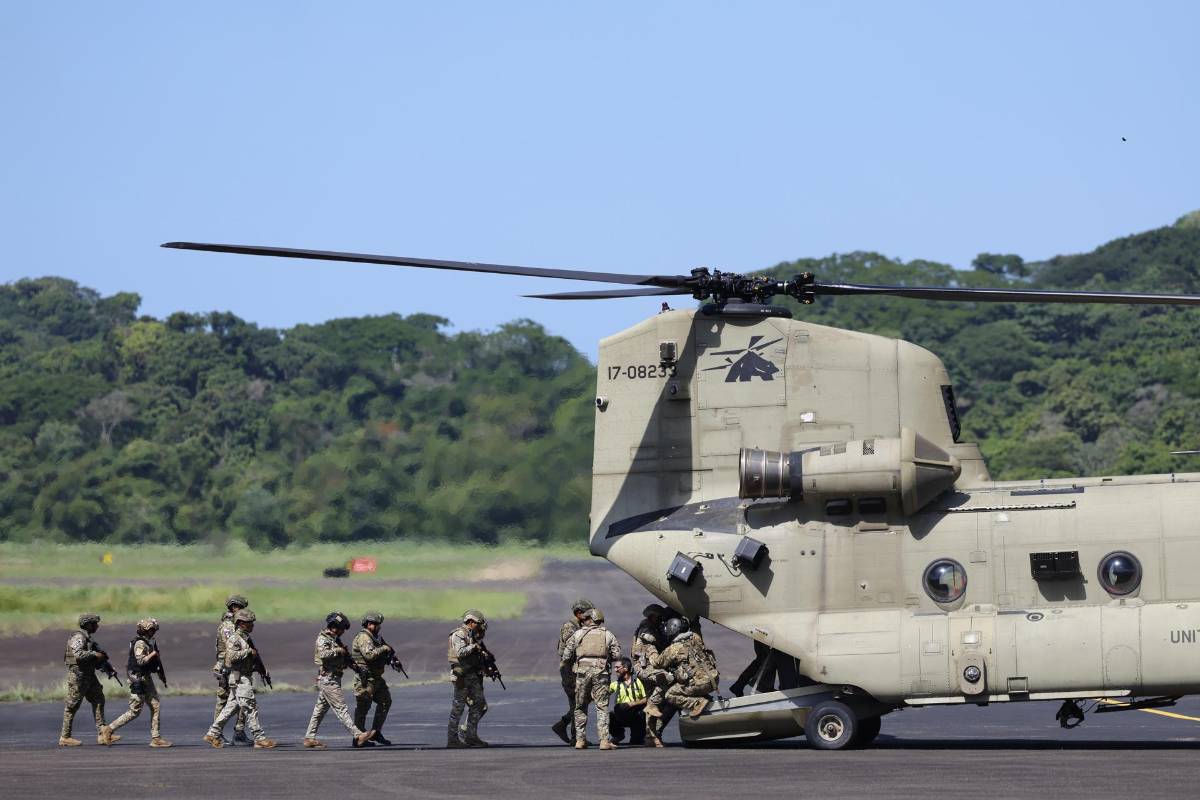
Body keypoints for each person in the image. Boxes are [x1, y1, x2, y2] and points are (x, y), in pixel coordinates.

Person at [204, 609, 276, 749]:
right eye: (249, 623)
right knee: (250, 707)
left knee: (230, 708)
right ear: (241, 623)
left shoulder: (245, 638)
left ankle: (213, 733)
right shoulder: (235, 638)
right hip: (239, 679)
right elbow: (231, 656)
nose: (252, 625)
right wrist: (248, 652)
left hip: (242, 677)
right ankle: (259, 738)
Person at [303, 611, 376, 749]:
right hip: (328, 679)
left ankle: (309, 738)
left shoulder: (334, 639)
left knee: (320, 710)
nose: (343, 632)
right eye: (342, 629)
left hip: (333, 678)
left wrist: (354, 665)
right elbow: (323, 655)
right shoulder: (323, 639)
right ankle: (358, 735)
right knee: (341, 708)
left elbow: (343, 657)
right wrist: (338, 651)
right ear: (335, 626)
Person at [101, 618, 171, 747]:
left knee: (155, 705)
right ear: (144, 630)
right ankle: (108, 729)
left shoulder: (149, 642)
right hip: (138, 678)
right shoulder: (140, 643)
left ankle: (156, 738)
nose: (153, 632)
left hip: (146, 677)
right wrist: (153, 654)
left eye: (154, 629)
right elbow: (141, 661)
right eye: (151, 629)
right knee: (135, 711)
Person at [649, 616, 719, 741]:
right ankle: (704, 699)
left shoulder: (673, 648)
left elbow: (657, 663)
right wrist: (694, 618)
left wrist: (651, 651)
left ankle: (698, 702)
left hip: (699, 684)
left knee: (670, 694)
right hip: (714, 679)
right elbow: (696, 628)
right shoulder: (695, 638)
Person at [561, 607, 621, 751]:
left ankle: (580, 740)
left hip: (582, 673)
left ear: (590, 619)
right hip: (601, 673)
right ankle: (604, 741)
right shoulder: (608, 634)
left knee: (580, 706)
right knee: (602, 706)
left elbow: (566, 655)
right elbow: (617, 654)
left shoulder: (578, 634)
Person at [59, 612, 115, 746]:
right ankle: (65, 737)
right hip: (78, 676)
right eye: (95, 624)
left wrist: (104, 665)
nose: (97, 626)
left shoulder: (88, 639)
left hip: (88, 675)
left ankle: (103, 734)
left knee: (98, 699)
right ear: (88, 624)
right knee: (72, 705)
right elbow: (77, 654)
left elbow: (94, 659)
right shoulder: (79, 637)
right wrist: (94, 654)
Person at [552, 597, 594, 744]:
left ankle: (565, 727)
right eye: (586, 614)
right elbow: (572, 650)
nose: (589, 617)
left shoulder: (581, 627)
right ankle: (576, 736)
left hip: (577, 669)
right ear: (578, 613)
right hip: (570, 670)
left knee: (580, 702)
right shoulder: (570, 627)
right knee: (579, 702)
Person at [447, 609, 490, 748]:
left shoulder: (472, 635)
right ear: (470, 622)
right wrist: (474, 647)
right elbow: (460, 652)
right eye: (477, 623)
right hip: (461, 676)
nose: (479, 626)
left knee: (480, 704)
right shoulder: (458, 634)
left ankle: (471, 736)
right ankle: (452, 739)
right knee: (457, 708)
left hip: (472, 676)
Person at [352, 610, 394, 746]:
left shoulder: (376, 637)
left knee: (385, 701)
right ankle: (359, 738)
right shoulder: (364, 637)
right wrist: (384, 649)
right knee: (363, 707)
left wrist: (392, 659)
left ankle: (376, 732)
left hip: (376, 678)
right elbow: (369, 655)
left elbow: (386, 652)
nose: (376, 626)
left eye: (377, 624)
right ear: (367, 624)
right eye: (373, 624)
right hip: (365, 679)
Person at [213, 593, 249, 744]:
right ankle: (216, 732)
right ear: (234, 607)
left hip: (237, 665)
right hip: (226, 666)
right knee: (223, 699)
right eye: (240, 608)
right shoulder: (228, 625)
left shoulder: (237, 623)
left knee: (243, 697)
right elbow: (230, 648)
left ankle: (239, 731)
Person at [632, 603, 669, 747]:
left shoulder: (647, 627)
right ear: (653, 616)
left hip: (646, 667)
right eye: (659, 617)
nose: (661, 620)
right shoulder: (647, 630)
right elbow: (653, 648)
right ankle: (651, 733)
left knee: (651, 701)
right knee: (665, 681)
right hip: (646, 668)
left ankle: (650, 736)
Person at [607, 657, 647, 746]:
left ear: (626, 668)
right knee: (611, 714)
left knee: (636, 742)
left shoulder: (638, 682)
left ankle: (639, 735)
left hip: (635, 716)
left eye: (617, 667)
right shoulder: (615, 684)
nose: (615, 670)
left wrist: (632, 703)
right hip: (621, 715)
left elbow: (646, 698)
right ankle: (618, 735)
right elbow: (602, 695)